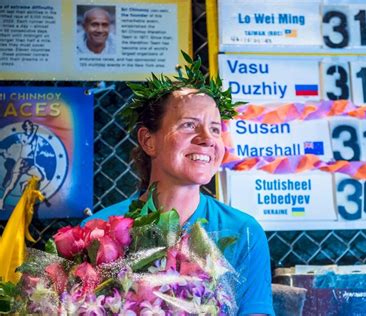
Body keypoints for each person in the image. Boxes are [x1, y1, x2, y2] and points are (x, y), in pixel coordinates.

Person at [82, 55, 275, 315]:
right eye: (188, 125)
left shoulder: (244, 232)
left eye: (215, 129)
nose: (208, 139)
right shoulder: (96, 232)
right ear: (149, 141)